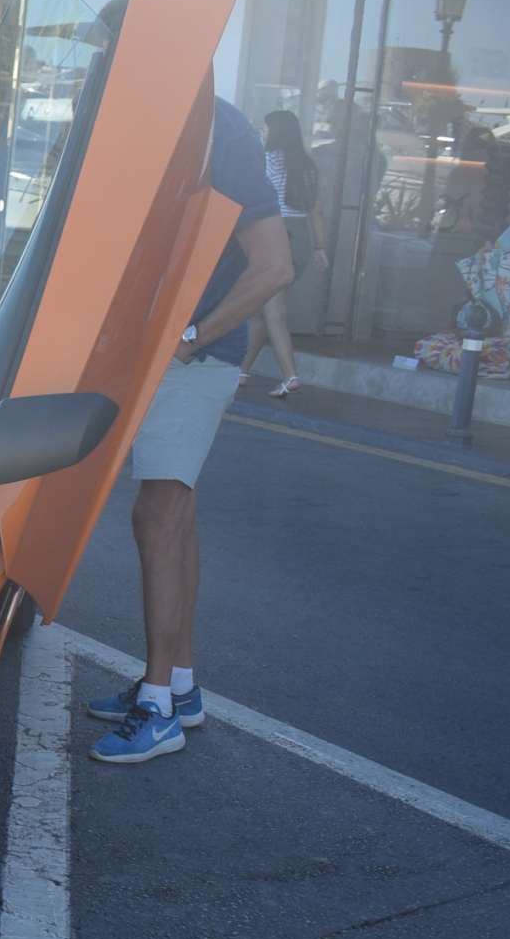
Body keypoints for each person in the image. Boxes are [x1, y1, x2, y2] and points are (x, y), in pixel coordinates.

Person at [88, 88, 296, 765]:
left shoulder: (226, 137)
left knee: (158, 515)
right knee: (176, 513)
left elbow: (275, 265)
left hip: (196, 355)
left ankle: (158, 710)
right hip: (174, 349)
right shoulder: (187, 127)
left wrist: (191, 338)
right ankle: (179, 686)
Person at [242, 108, 329, 397]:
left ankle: (290, 376)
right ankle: (242, 370)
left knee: (274, 312)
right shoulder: (306, 166)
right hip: (300, 240)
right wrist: (320, 248)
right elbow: (316, 211)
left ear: (274, 132)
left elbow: (252, 199)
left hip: (272, 235)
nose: (263, 134)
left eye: (266, 129)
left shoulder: (267, 161)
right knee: (260, 309)